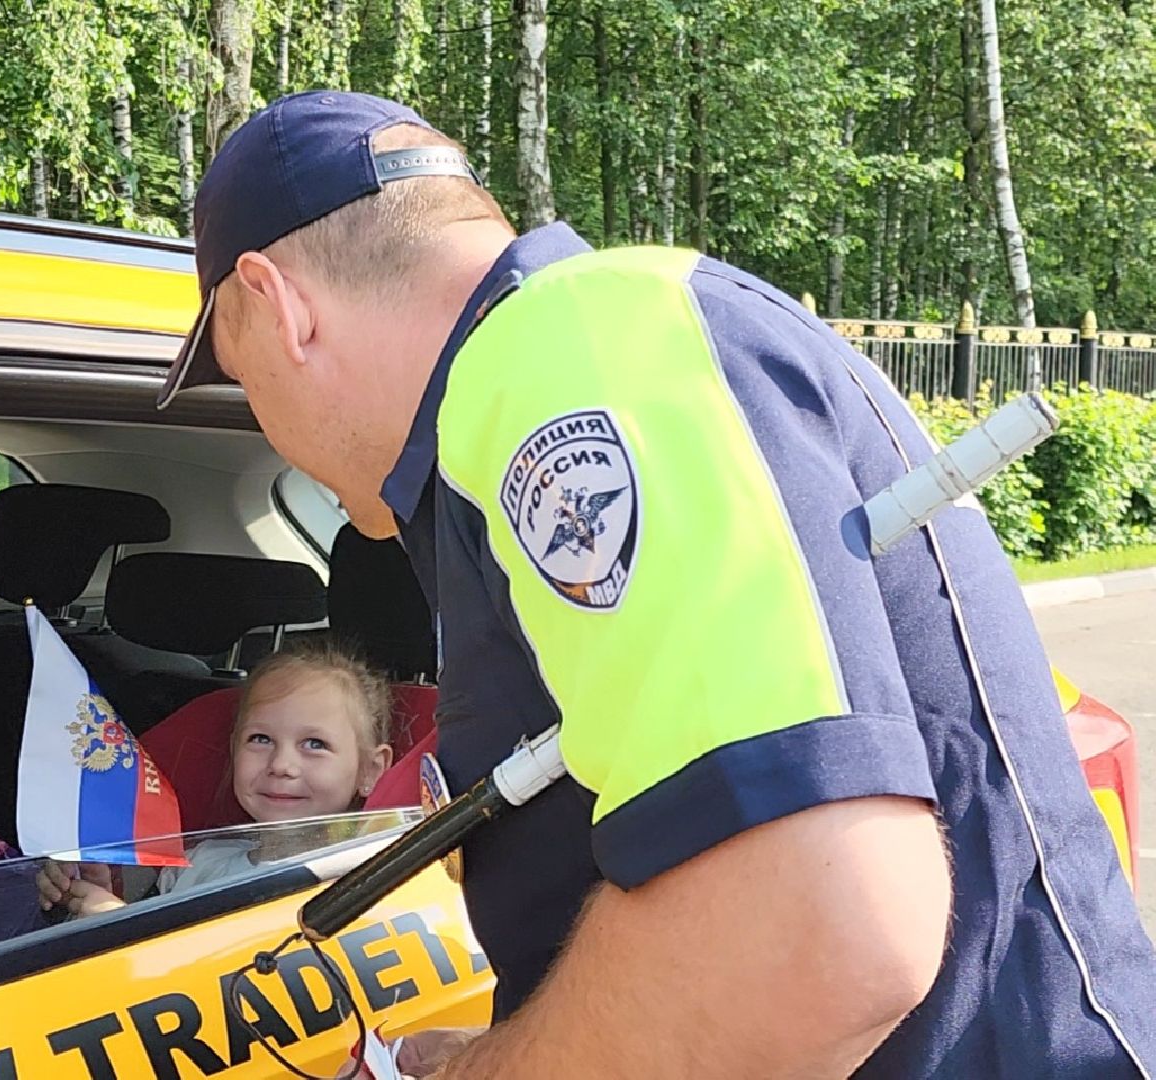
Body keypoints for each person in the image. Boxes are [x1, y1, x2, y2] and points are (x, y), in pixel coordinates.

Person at [158, 90, 1156, 1077]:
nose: (262, 419)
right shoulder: (571, 365)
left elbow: (817, 932)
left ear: (277, 305)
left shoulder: (564, 353)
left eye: (242, 379)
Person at [37, 645, 394, 917]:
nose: (282, 765)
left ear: (370, 770)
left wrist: (115, 923)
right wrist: (95, 900)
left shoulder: (359, 884)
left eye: (315, 744)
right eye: (260, 739)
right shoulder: (198, 863)